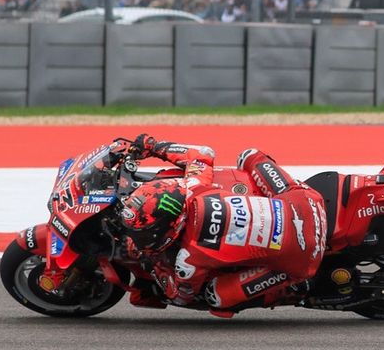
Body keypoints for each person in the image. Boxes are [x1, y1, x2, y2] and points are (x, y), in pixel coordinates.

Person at [114, 134, 326, 314]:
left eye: (142, 232)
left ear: (172, 226)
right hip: (305, 201)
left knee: (215, 297)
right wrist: (153, 146)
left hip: (302, 257)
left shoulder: (189, 257)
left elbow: (180, 296)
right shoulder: (193, 187)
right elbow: (203, 154)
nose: (138, 236)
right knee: (249, 156)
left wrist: (152, 265)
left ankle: (295, 287)